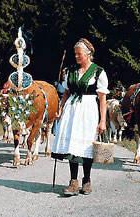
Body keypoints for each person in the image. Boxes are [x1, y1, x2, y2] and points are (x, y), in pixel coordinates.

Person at [51, 38, 109, 196]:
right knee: (72, 146)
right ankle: (73, 182)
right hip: (71, 110)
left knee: (86, 146)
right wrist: (60, 109)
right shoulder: (70, 71)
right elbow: (67, 92)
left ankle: (87, 180)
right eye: (75, 54)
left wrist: (103, 120)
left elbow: (102, 98)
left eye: (79, 54)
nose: (76, 57)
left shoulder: (98, 72)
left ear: (88, 54)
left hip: (89, 110)